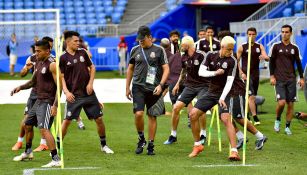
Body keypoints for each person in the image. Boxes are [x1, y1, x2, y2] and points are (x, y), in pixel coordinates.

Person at [59, 31, 114, 154]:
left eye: (79, 41)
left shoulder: (83, 52)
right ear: (68, 42)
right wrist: (66, 92)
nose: (78, 43)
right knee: (66, 121)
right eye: (75, 41)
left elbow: (93, 67)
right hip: (73, 95)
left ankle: (104, 145)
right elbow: (61, 77)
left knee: (99, 119)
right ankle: (57, 147)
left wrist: (90, 83)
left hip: (89, 94)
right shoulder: (62, 58)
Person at [11, 40, 61, 167]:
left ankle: (56, 159)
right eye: (35, 50)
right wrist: (20, 87)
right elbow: (33, 82)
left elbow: (59, 87)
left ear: (47, 51)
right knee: (27, 124)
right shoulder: (38, 62)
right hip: (38, 99)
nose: (36, 53)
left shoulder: (52, 65)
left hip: (48, 101)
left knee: (44, 129)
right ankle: (28, 152)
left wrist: (55, 105)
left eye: (39, 51)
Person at [190, 36, 240, 160]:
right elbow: (201, 72)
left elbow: (229, 82)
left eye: (232, 49)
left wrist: (222, 98)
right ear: (222, 47)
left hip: (226, 93)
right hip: (211, 92)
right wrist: (215, 73)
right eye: (229, 49)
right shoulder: (210, 55)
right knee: (193, 114)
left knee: (225, 118)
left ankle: (234, 151)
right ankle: (197, 145)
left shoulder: (232, 60)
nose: (230, 52)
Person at [126, 26, 169, 155]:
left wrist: (161, 85)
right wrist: (127, 87)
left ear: (150, 37)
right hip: (138, 87)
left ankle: (151, 144)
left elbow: (166, 69)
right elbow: (130, 69)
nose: (140, 41)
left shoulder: (159, 50)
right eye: (139, 39)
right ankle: (141, 138)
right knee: (138, 114)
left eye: (143, 39)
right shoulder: (135, 50)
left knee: (152, 116)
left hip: (154, 88)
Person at [163, 36, 208, 145]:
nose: (180, 46)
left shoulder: (202, 55)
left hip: (203, 86)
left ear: (187, 45)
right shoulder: (184, 57)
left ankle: (203, 134)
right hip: (190, 86)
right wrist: (177, 84)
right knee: (176, 108)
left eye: (182, 44)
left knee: (200, 110)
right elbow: (183, 71)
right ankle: (173, 135)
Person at [269, 24, 304, 135]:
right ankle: (278, 119)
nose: (284, 34)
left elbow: (298, 64)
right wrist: (271, 76)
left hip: (291, 80)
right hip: (279, 79)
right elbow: (271, 62)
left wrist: (301, 78)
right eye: (282, 32)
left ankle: (287, 127)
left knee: (290, 104)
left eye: (286, 32)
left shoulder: (294, 48)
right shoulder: (275, 46)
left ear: (291, 33)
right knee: (282, 102)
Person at [237, 27, 269, 125]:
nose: (251, 36)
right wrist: (241, 72)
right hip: (246, 75)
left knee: (252, 96)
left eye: (253, 34)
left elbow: (267, 58)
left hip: (255, 74)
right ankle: (255, 117)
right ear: (247, 35)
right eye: (249, 34)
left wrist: (264, 57)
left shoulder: (259, 46)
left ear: (256, 35)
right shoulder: (242, 47)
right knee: (250, 96)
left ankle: (246, 115)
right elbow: (236, 61)